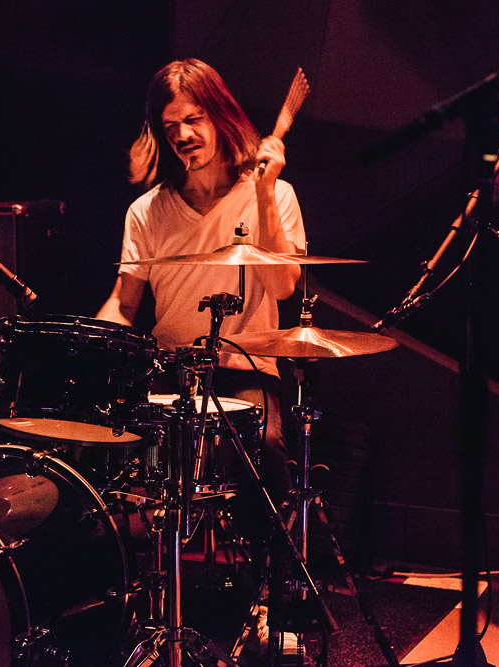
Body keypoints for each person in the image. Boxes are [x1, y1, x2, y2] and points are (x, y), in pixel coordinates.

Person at [96, 58, 306, 512]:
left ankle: (269, 556)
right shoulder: (147, 211)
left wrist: (265, 191)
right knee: (109, 449)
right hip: (168, 369)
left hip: (245, 368)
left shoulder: (277, 195)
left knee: (264, 446)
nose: (183, 135)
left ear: (221, 116)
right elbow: (124, 303)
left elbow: (282, 286)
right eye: (171, 126)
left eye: (193, 119)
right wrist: (89, 347)